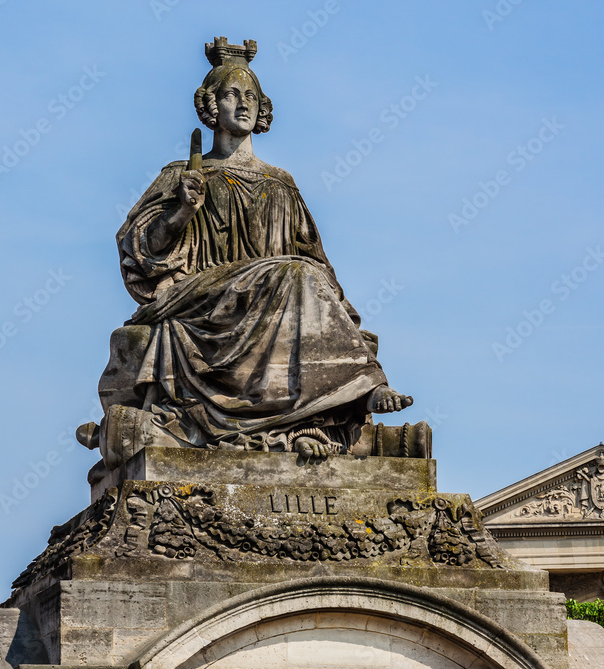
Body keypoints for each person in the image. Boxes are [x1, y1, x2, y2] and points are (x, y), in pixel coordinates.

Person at [81, 38, 413, 472]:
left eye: (251, 97)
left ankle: (343, 396)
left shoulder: (281, 183)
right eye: (232, 95)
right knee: (297, 273)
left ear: (262, 109)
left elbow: (317, 263)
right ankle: (362, 384)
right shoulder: (184, 175)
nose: (243, 104)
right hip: (205, 298)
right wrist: (182, 212)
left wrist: (340, 315)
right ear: (210, 106)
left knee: (304, 275)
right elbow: (140, 250)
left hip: (276, 298)